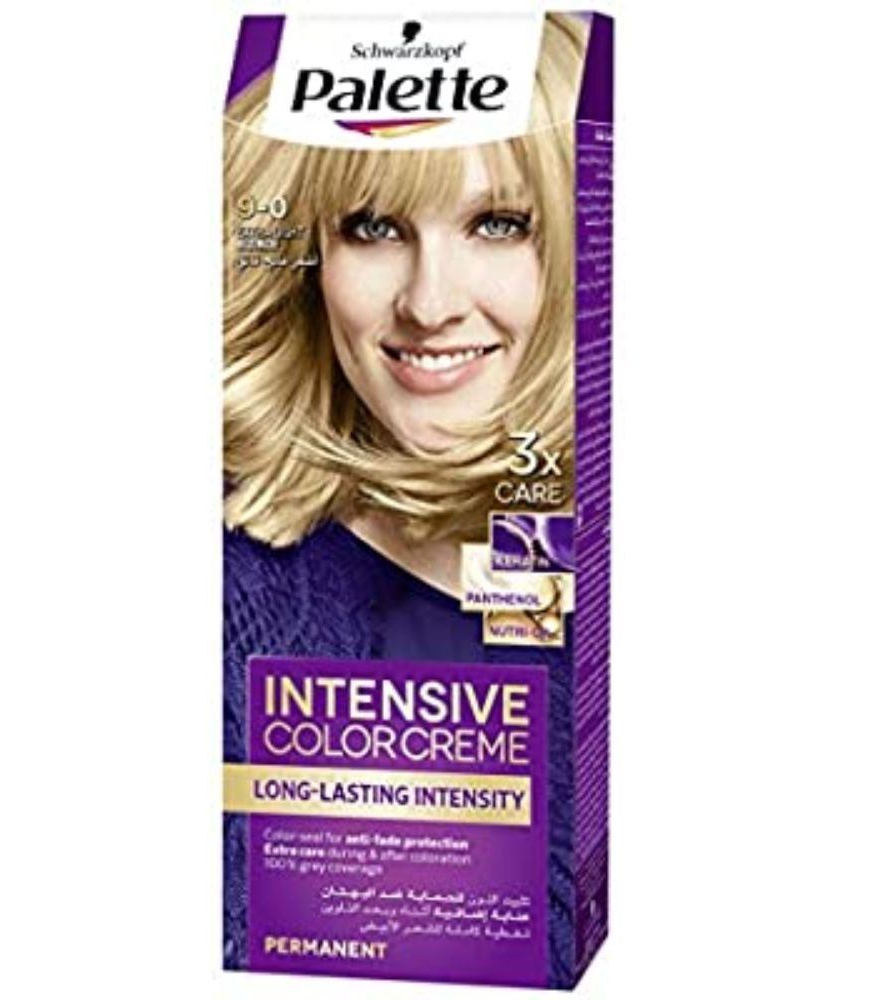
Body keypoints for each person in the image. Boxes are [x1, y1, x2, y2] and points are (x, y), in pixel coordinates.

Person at [223, 15, 589, 980]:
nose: (430, 304)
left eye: (499, 224)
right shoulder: (232, 579)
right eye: (375, 226)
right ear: (312, 256)